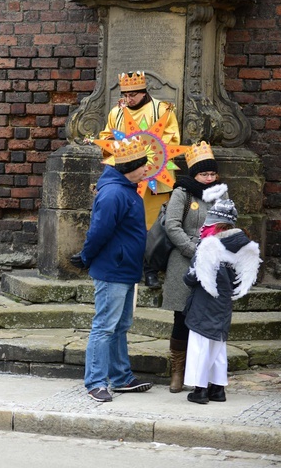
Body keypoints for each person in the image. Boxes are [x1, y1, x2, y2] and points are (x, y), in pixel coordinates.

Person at [70, 138, 154, 402]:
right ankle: (95, 382)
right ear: (131, 167)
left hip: (125, 267)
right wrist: (85, 257)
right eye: (143, 165)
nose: (146, 169)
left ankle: (121, 378)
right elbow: (98, 232)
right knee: (105, 326)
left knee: (120, 325)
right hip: (113, 269)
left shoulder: (125, 189)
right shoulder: (114, 193)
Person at [99, 71, 181, 288]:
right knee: (126, 222)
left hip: (156, 177)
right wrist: (111, 144)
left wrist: (144, 151)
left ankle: (151, 270)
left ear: (145, 92)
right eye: (125, 94)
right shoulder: (117, 112)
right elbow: (107, 136)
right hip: (126, 178)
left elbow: (171, 139)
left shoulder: (161, 110)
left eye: (133, 94)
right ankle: (128, 266)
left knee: (154, 226)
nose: (128, 99)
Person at [161, 141, 229, 393]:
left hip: (213, 262)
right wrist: (193, 249)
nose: (209, 178)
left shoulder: (221, 192)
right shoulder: (182, 192)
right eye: (204, 173)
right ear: (194, 174)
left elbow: (227, 223)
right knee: (182, 316)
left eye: (212, 173)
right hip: (184, 260)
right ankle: (177, 371)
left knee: (208, 316)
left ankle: (203, 373)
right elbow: (172, 225)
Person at [183, 199, 260, 404]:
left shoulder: (210, 246)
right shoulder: (244, 246)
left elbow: (191, 276)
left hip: (204, 303)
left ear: (214, 223)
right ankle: (218, 389)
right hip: (224, 304)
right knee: (218, 346)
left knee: (200, 346)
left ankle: (199, 390)